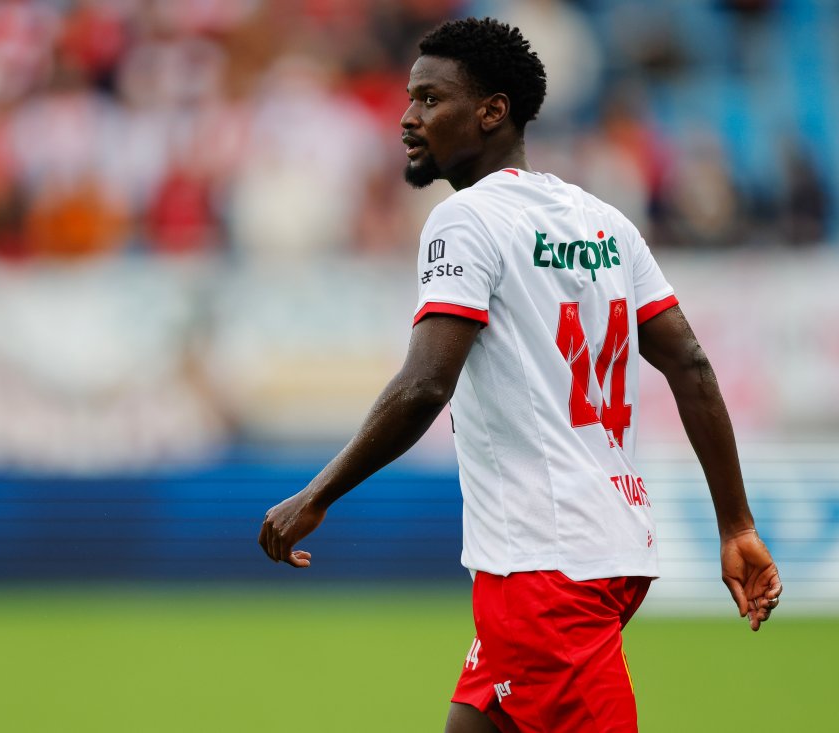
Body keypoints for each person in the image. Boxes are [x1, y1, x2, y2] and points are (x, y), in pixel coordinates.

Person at [258, 17, 781, 733]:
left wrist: (317, 494)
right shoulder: (603, 222)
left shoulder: (465, 220)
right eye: (410, 100)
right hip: (606, 544)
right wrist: (736, 524)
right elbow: (688, 363)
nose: (408, 119)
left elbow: (423, 386)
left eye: (431, 100)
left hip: (542, 568)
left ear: (492, 111)